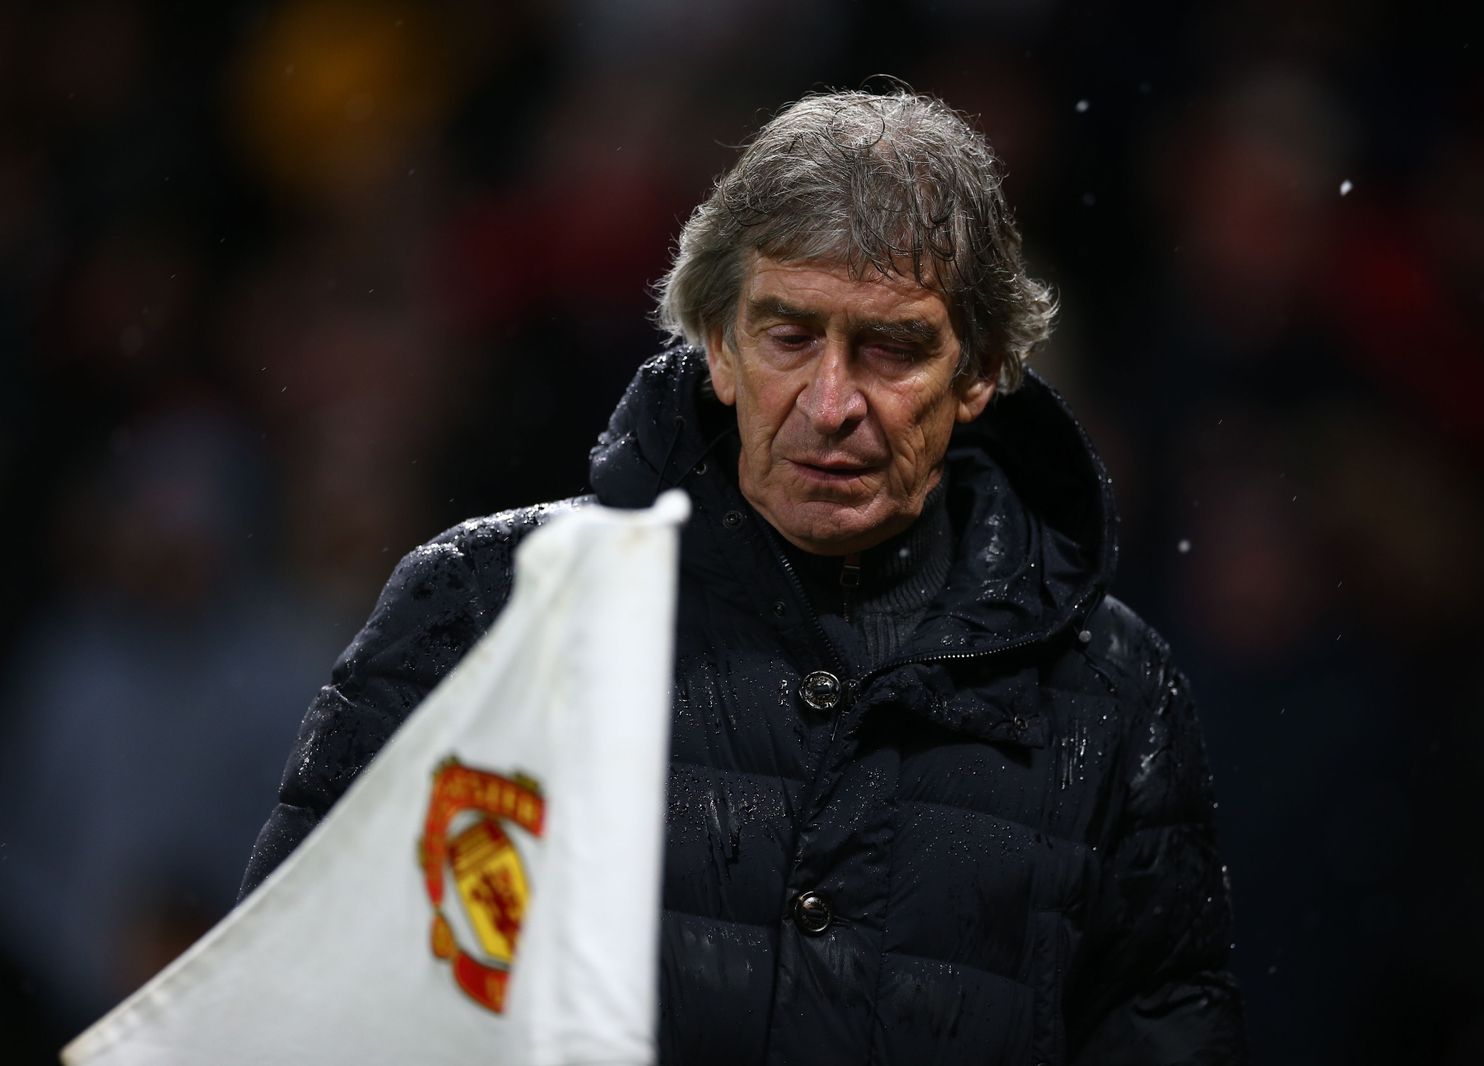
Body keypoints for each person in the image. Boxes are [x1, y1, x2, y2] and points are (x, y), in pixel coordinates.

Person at [240, 88, 1247, 1064]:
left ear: (979, 372)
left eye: (891, 347)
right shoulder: (479, 611)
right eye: (789, 336)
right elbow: (283, 1012)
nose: (830, 400)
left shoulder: (1112, 697)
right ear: (717, 343)